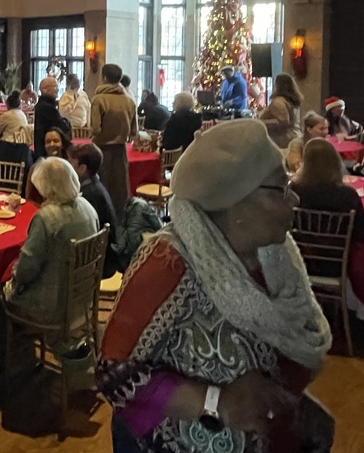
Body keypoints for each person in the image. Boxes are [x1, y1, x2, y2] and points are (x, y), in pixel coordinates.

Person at [97, 119, 333, 453]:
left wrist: (299, 408)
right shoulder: (171, 262)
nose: (294, 199)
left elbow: (268, 365)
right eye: (281, 188)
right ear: (236, 203)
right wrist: (215, 403)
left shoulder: (276, 260)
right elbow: (114, 374)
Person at [3, 158, 100, 326]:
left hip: (51, 305)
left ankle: (7, 346)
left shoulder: (46, 218)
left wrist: (10, 274)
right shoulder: (88, 207)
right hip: (82, 299)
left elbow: (26, 270)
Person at [291, 139, 364, 262]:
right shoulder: (348, 195)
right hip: (336, 261)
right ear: (336, 162)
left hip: (300, 258)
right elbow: (362, 234)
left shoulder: (294, 190)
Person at [91, 64, 138, 214]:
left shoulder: (99, 100)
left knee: (103, 185)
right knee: (120, 188)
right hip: (120, 150)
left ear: (104, 78)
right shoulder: (129, 101)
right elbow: (134, 131)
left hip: (101, 149)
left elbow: (95, 129)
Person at [68, 143, 119, 277]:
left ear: (82, 168)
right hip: (104, 256)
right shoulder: (95, 185)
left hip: (100, 263)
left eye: (71, 165)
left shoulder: (89, 195)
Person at [259, 73, 303, 148]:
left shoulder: (278, 102)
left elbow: (282, 122)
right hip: (295, 135)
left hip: (282, 140)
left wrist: (260, 122)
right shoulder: (292, 101)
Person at [33, 76, 71, 159]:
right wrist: (66, 121)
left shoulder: (45, 105)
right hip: (48, 150)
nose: (57, 90)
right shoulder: (46, 107)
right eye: (55, 87)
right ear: (44, 89)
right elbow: (63, 127)